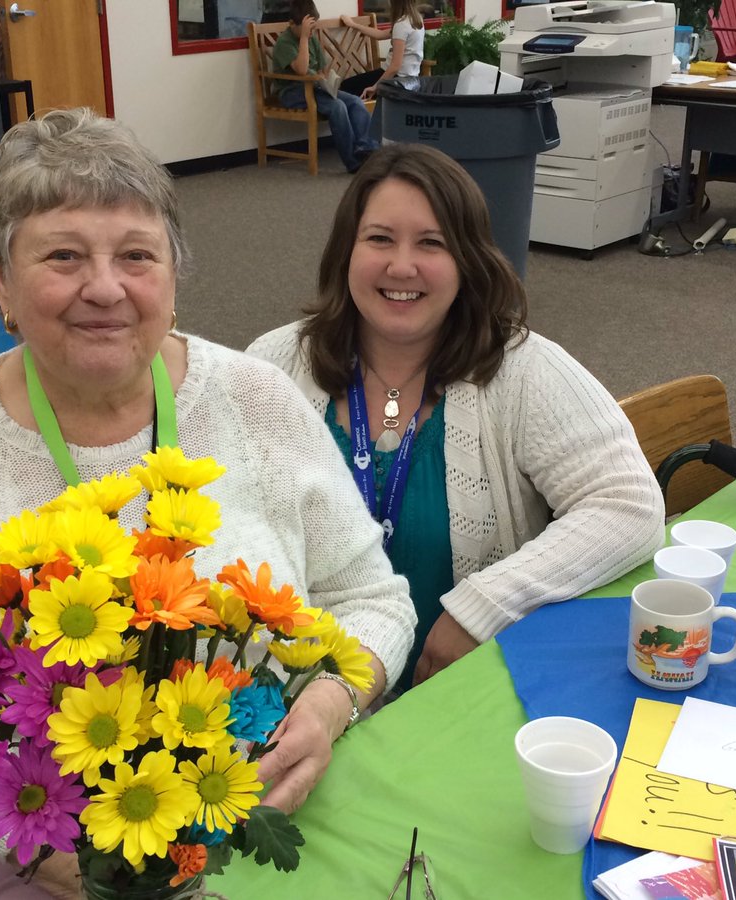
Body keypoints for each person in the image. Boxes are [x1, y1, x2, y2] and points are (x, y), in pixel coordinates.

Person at [0, 108, 415, 898]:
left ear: (173, 273)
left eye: (136, 255)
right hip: (63, 867)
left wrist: (331, 703)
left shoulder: (256, 400)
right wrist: (74, 867)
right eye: (62, 255)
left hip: (287, 814)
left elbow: (374, 599)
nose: (104, 287)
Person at [248, 143, 665, 693]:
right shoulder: (272, 367)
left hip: (456, 699)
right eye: (379, 239)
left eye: (431, 243)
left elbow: (629, 504)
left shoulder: (521, 370)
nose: (402, 265)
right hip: (295, 701)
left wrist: (483, 606)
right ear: (345, 251)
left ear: (468, 260)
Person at [272, 0, 379, 173]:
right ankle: (353, 163)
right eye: (308, 29)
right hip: (292, 91)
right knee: (337, 107)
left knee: (354, 101)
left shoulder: (311, 38)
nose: (311, 32)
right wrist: (305, 39)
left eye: (313, 28)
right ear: (292, 24)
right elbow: (301, 70)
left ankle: (366, 150)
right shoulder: (285, 42)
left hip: (315, 88)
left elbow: (322, 68)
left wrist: (326, 80)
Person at [339, 0, 425, 99]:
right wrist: (353, 24)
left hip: (396, 79)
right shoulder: (415, 19)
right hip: (411, 77)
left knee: (346, 86)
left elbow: (395, 66)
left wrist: (376, 87)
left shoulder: (402, 25)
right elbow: (380, 34)